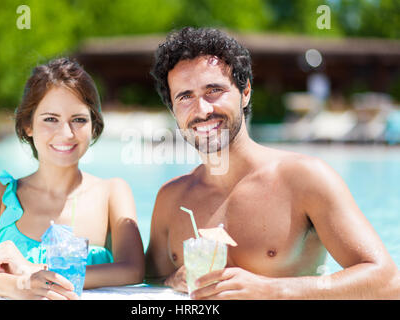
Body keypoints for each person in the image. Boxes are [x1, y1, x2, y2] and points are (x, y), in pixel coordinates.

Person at [144, 27, 399, 299]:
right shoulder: (171, 199)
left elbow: (388, 282)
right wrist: (172, 279)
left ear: (245, 93)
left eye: (214, 90)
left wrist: (272, 289)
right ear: (173, 109)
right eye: (185, 97)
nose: (202, 110)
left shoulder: (305, 178)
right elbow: (150, 281)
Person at [0, 58, 145, 299]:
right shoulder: (1, 193)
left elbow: (133, 270)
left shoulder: (112, 193)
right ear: (27, 125)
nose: (66, 133)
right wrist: (19, 285)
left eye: (79, 120)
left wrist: (33, 271)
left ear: (94, 126)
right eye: (51, 119)